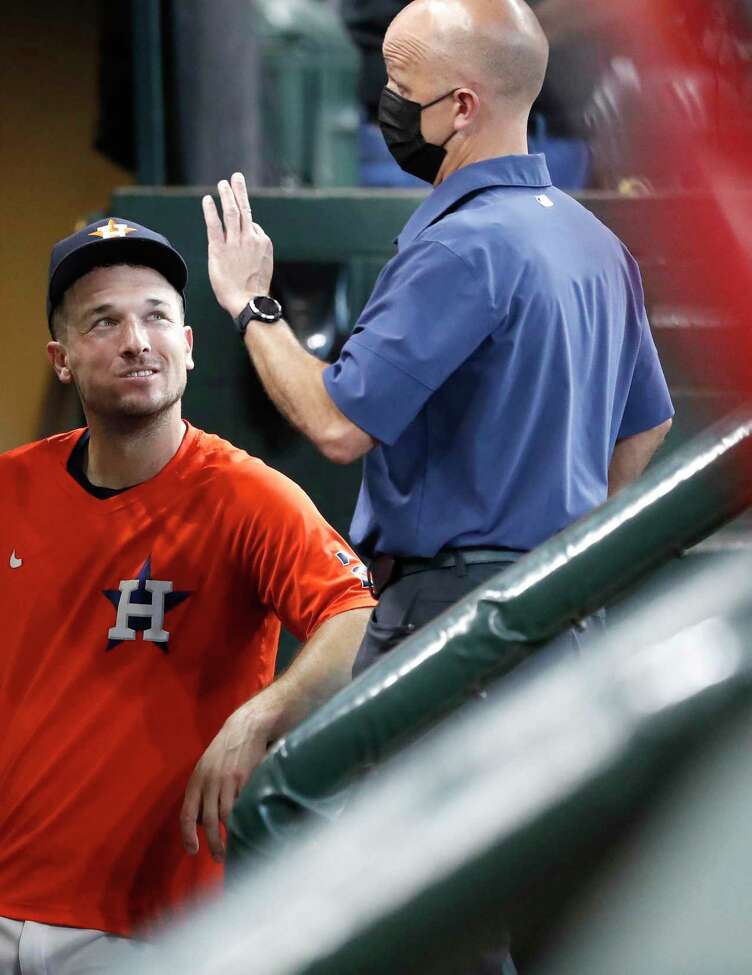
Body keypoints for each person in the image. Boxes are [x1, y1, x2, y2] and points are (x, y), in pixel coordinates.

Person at [203, 1, 673, 968]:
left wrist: (252, 305)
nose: (385, 103)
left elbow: (338, 422)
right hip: (562, 617)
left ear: (461, 106)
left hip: (452, 623)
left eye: (399, 87)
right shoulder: (594, 244)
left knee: (426, 921)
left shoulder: (464, 242)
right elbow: (650, 424)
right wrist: (568, 546)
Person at [0, 217, 376, 973]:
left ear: (188, 343)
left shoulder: (249, 497)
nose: (136, 340)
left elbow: (355, 618)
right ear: (62, 359)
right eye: (104, 322)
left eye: (155, 317)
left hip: (161, 913)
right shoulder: (0, 490)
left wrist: (261, 716)